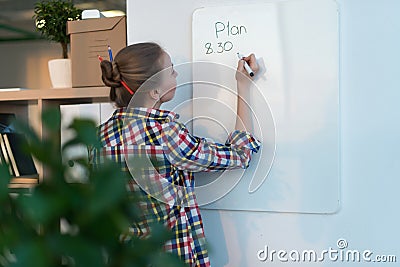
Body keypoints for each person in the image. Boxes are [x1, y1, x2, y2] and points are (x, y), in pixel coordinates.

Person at [92, 42, 260, 267]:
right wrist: (243, 86)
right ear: (154, 91)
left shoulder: (99, 136)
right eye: (171, 70)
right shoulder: (165, 133)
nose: (177, 73)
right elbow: (241, 154)